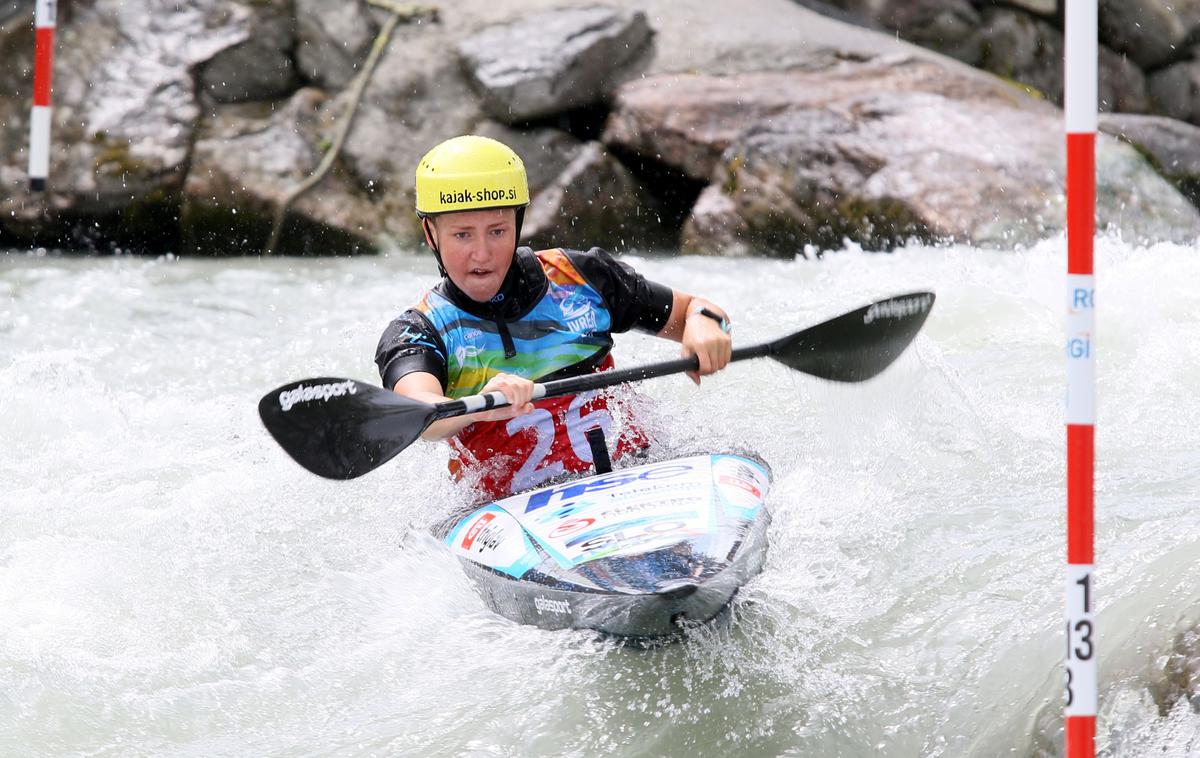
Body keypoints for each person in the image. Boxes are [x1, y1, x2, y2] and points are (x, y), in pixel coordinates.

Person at [375, 135, 733, 500]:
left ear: (518, 223)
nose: (481, 253)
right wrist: (481, 403)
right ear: (430, 233)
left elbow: (695, 310)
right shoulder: (418, 332)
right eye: (462, 235)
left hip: (634, 475)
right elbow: (421, 411)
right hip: (515, 516)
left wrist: (705, 327)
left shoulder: (580, 277)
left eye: (497, 231)